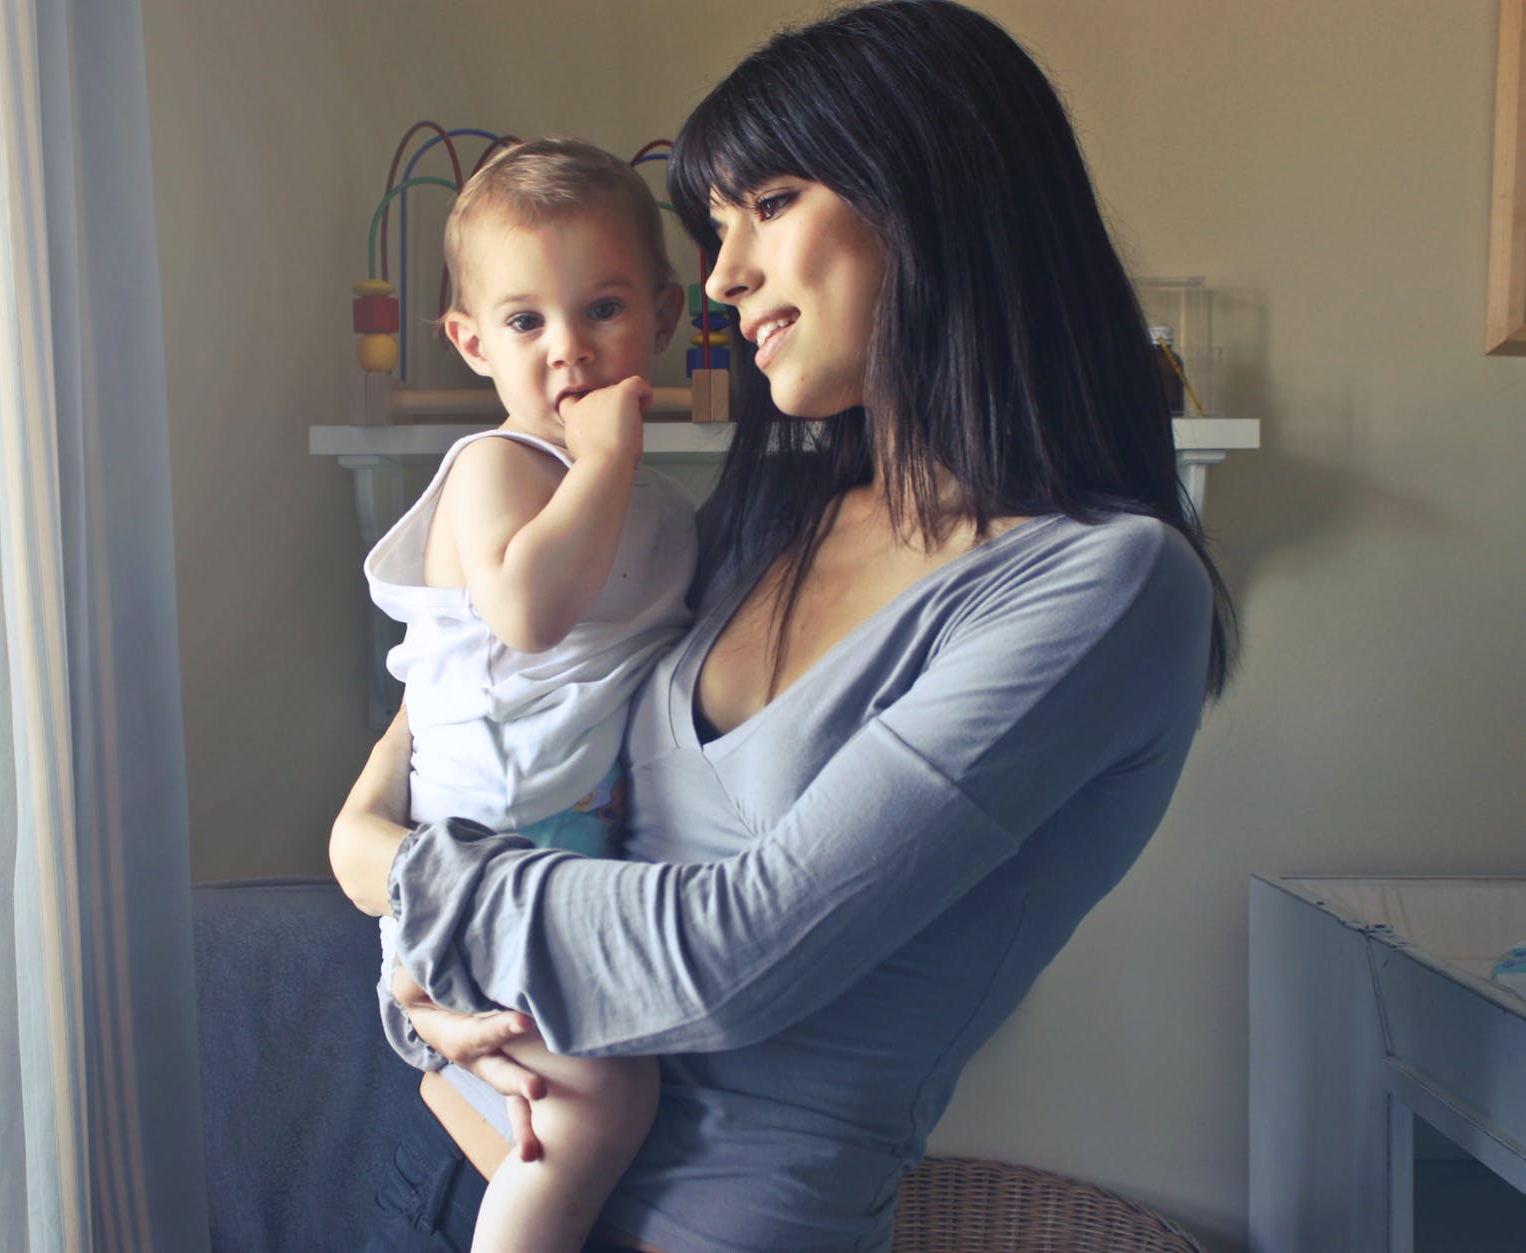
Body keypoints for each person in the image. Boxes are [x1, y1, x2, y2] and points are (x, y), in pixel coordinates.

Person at [333, 2, 1237, 1249]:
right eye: (712, 229)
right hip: (469, 1157)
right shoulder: (774, 517)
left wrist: (392, 873)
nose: (719, 277)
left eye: (767, 203)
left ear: (928, 191)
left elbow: (732, 956)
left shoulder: (1105, 588)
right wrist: (406, 954)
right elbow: (473, 694)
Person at [337, 139, 696, 1253]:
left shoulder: (659, 508)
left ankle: (463, 1106)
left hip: (565, 849)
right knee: (607, 1102)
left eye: (601, 309)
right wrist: (599, 461)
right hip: (476, 849)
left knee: (585, 1109)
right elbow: (530, 611)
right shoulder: (497, 465)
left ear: (664, 315)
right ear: (470, 340)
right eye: (527, 322)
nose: (569, 352)